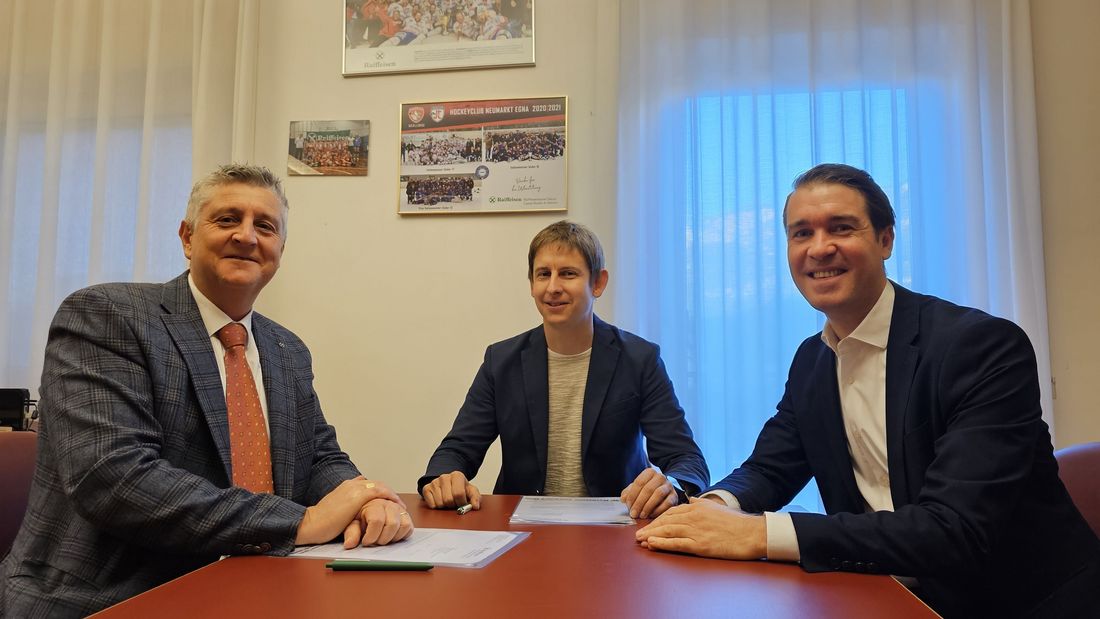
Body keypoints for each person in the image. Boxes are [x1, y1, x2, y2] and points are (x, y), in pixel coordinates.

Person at [636, 163, 1100, 618]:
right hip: (885, 595)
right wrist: (707, 510)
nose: (820, 248)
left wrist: (757, 534)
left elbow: (953, 528)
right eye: (801, 233)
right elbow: (769, 469)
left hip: (1018, 603)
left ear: (885, 240)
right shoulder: (812, 360)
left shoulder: (980, 346)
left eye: (841, 227)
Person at [0, 164, 413, 617]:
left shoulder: (287, 349)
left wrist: (364, 497)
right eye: (227, 219)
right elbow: (114, 477)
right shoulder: (107, 316)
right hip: (115, 597)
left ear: (280, 249)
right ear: (187, 237)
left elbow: (319, 456)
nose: (247, 236)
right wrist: (305, 521)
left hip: (259, 585)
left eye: (265, 226)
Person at [419, 221, 709, 520]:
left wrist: (670, 486)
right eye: (543, 274)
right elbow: (459, 448)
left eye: (568, 274)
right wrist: (443, 477)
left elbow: (685, 457)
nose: (553, 287)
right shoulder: (501, 360)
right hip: (522, 526)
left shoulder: (640, 358)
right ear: (531, 284)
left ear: (598, 283)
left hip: (618, 526)